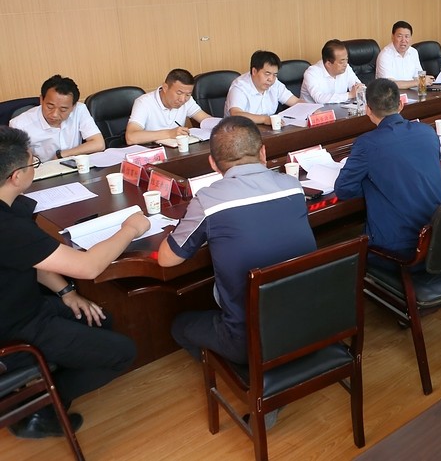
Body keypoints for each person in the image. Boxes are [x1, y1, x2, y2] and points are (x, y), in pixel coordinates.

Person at [0, 126, 145, 438]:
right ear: (16, 176)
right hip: (14, 328)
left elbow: (32, 257)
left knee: (99, 319)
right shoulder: (8, 228)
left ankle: (42, 380)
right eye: (33, 163)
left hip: (22, 306)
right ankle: (37, 406)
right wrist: (131, 228)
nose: (34, 168)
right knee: (123, 352)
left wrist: (66, 292)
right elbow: (89, 267)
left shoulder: (12, 214)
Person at [158, 116, 315, 365]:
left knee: (180, 325)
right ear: (263, 152)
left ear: (212, 163)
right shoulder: (292, 185)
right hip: (312, 322)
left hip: (249, 341)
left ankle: (246, 372)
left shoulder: (208, 200)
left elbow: (167, 259)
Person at [334, 78, 441, 267]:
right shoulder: (427, 131)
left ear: (368, 109)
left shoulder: (367, 143)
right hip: (437, 238)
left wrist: (371, 183)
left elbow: (344, 190)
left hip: (400, 250)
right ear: (401, 104)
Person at [10, 75, 104, 162]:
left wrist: (62, 154)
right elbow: (20, 163)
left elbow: (99, 144)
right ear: (41, 100)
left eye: (63, 109)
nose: (54, 114)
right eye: (50, 107)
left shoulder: (79, 110)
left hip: (74, 167)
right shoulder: (19, 125)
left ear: (73, 106)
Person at [125, 69, 211, 145]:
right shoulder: (144, 103)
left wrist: (217, 125)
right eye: (179, 93)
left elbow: (206, 120)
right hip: (153, 152)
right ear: (165, 87)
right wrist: (169, 133)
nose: (182, 99)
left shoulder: (187, 100)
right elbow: (131, 137)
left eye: (188, 94)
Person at [224, 50, 302, 124]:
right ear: (254, 71)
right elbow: (236, 114)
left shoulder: (275, 84)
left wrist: (309, 109)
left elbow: (296, 102)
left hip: (267, 129)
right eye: (267, 74)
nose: (271, 79)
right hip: (240, 129)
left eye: (274, 75)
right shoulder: (240, 87)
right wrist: (265, 119)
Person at [300, 39, 365, 104]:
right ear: (328, 64)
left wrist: (360, 90)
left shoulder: (346, 68)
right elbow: (319, 99)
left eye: (346, 59)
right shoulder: (311, 73)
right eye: (341, 62)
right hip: (314, 110)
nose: (345, 64)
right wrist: (349, 95)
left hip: (339, 108)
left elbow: (358, 88)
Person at [376, 21, 431, 90]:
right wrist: (419, 82)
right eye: (400, 36)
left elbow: (419, 75)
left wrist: (427, 81)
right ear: (392, 37)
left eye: (407, 36)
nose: (403, 40)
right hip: (392, 94)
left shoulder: (413, 52)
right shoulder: (385, 56)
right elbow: (389, 84)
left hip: (412, 92)